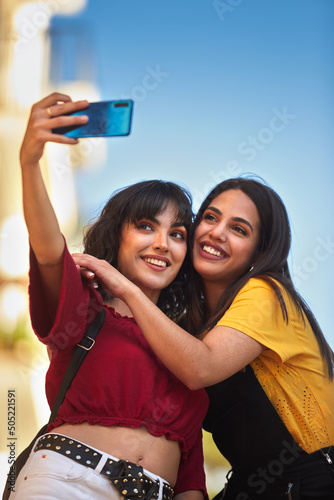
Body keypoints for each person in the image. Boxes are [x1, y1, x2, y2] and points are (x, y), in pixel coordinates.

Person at [73, 178, 334, 499]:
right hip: (251, 484)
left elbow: (201, 367)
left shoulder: (266, 292)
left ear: (259, 251)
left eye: (239, 229)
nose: (217, 233)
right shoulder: (193, 334)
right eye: (210, 218)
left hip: (311, 478)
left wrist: (124, 285)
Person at [11, 92, 209, 500]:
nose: (162, 244)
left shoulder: (192, 355)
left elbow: (191, 482)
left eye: (177, 234)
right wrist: (30, 161)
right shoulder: (84, 309)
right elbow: (49, 252)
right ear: (116, 237)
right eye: (145, 226)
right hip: (65, 483)